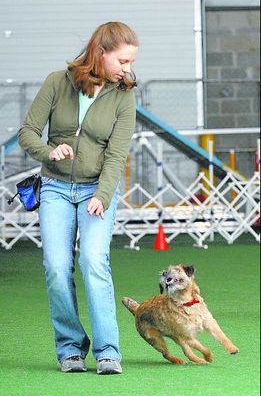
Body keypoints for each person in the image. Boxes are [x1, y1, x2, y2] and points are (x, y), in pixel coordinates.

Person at [18, 21, 139, 375]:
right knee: (57, 268)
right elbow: (27, 132)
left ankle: (107, 352)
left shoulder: (124, 96)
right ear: (101, 54)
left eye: (131, 62)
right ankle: (70, 349)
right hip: (55, 187)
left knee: (93, 262)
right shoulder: (57, 82)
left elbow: (117, 156)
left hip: (96, 190)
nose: (128, 70)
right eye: (123, 61)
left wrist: (103, 195)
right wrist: (48, 151)